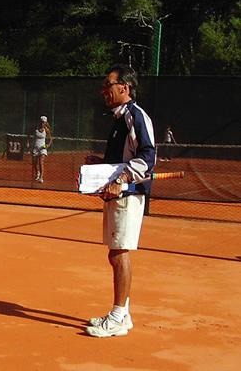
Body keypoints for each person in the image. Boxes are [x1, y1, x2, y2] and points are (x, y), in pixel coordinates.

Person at [84, 64, 156, 337]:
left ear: (124, 87)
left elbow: (147, 157)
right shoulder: (120, 118)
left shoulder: (135, 116)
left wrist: (121, 179)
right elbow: (124, 159)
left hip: (127, 195)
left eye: (108, 85)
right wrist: (102, 164)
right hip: (117, 194)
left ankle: (117, 317)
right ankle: (122, 315)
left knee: (119, 253)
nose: (103, 91)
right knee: (115, 253)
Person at [30, 116, 52, 183]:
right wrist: (28, 142)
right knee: (34, 163)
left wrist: (48, 145)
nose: (42, 124)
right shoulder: (35, 128)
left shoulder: (46, 130)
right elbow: (29, 135)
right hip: (35, 147)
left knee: (41, 162)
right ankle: (37, 172)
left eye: (44, 123)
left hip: (42, 148)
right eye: (42, 122)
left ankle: (41, 177)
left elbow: (51, 139)